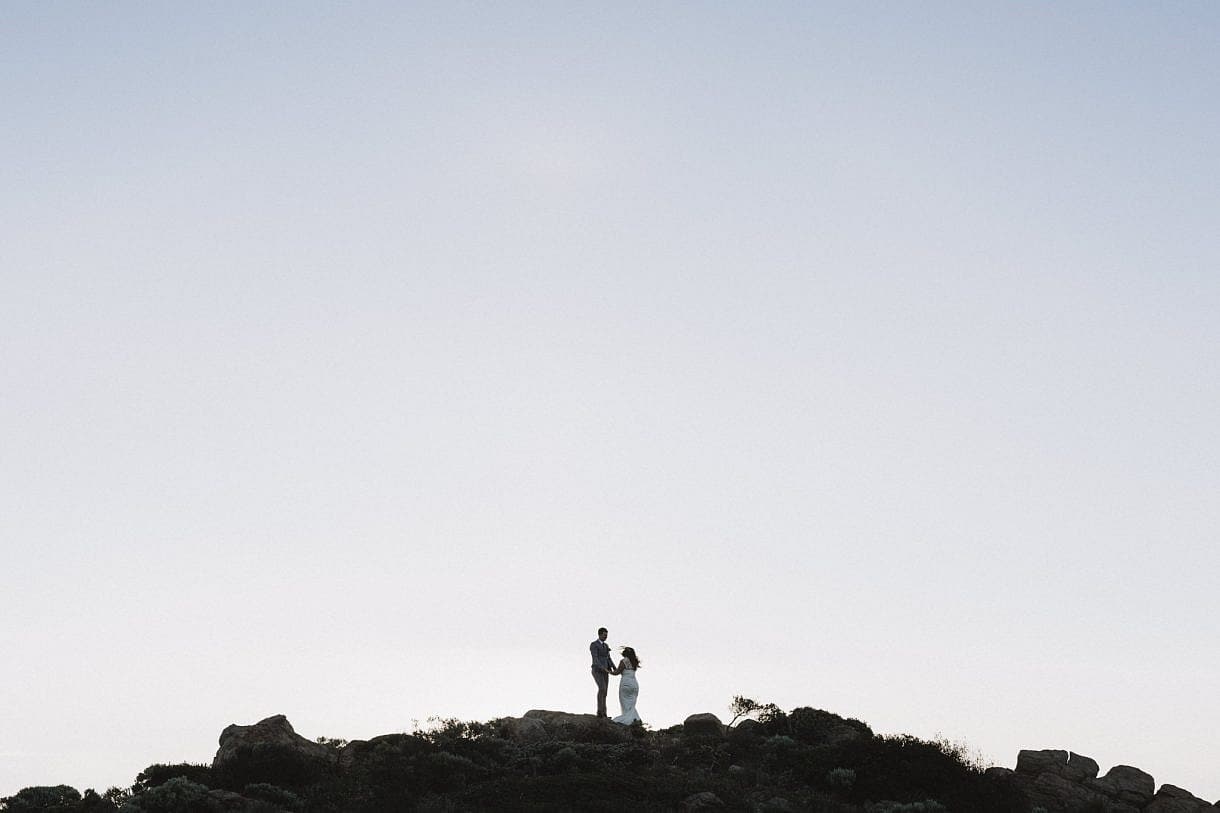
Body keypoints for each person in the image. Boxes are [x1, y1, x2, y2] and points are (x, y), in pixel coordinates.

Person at [610, 646, 642, 725]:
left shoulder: (624, 661)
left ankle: (627, 721)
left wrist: (607, 670)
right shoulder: (634, 662)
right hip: (634, 685)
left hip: (626, 684)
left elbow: (616, 672)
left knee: (625, 705)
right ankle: (635, 720)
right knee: (631, 706)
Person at [589, 627, 614, 718]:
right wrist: (603, 668)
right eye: (604, 635)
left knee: (605, 692)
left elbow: (608, 658)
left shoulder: (606, 646)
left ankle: (604, 713)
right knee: (602, 688)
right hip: (597, 670)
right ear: (599, 634)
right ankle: (600, 711)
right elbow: (595, 659)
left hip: (606, 671)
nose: (606, 637)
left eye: (607, 635)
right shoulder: (594, 645)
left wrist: (614, 668)